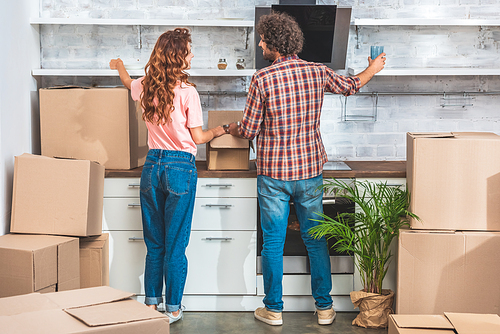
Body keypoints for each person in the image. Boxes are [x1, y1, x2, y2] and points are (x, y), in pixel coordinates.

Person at [226, 12, 386, 326]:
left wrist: (231, 127)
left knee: (273, 242)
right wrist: (373, 68)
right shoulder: (316, 72)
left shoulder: (262, 79)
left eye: (262, 40)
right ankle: (325, 308)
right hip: (309, 170)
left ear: (273, 44)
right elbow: (351, 86)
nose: (259, 44)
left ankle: (273, 309)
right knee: (315, 239)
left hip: (273, 174)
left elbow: (248, 130)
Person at [110, 28, 225, 324]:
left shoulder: (146, 86)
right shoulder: (188, 92)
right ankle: (173, 308)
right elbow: (198, 137)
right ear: (179, 56)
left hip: (151, 168)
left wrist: (119, 65)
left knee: (155, 243)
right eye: (189, 50)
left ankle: (150, 305)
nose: (192, 54)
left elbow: (126, 83)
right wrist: (222, 130)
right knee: (175, 244)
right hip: (179, 169)